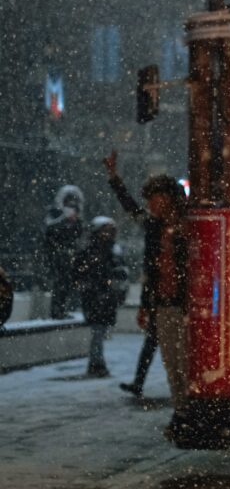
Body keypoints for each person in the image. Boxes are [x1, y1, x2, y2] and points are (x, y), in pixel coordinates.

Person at [103, 152, 189, 423]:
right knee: (172, 362)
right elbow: (131, 209)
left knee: (185, 361)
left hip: (186, 304)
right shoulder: (154, 227)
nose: (151, 205)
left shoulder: (191, 225)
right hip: (163, 303)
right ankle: (182, 410)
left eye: (155, 198)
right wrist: (114, 179)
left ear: (168, 199)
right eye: (150, 200)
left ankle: (189, 408)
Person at [74, 216, 129, 378]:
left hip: (106, 297)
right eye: (105, 231)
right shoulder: (93, 251)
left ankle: (96, 362)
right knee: (98, 331)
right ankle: (96, 363)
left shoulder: (111, 250)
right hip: (96, 297)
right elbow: (81, 273)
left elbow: (120, 272)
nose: (108, 235)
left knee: (100, 331)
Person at [43, 185, 85, 318]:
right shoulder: (54, 214)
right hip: (57, 258)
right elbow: (49, 231)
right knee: (60, 285)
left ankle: (65, 310)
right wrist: (64, 219)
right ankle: (57, 312)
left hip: (70, 259)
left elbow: (79, 235)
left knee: (68, 285)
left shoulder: (77, 219)